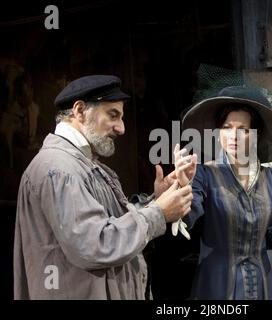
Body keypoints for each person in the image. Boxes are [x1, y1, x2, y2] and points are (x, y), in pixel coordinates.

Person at [13, 75, 195, 300]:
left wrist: (156, 200)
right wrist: (158, 213)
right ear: (79, 111)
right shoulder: (59, 168)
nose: (121, 128)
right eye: (113, 115)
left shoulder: (79, 164)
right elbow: (96, 243)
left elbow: (105, 224)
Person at [174, 85, 272, 299]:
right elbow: (189, 215)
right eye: (227, 127)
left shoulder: (270, 179)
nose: (233, 136)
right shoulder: (204, 175)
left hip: (262, 287)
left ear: (255, 135)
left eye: (243, 129)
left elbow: (270, 234)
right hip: (217, 288)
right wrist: (182, 191)